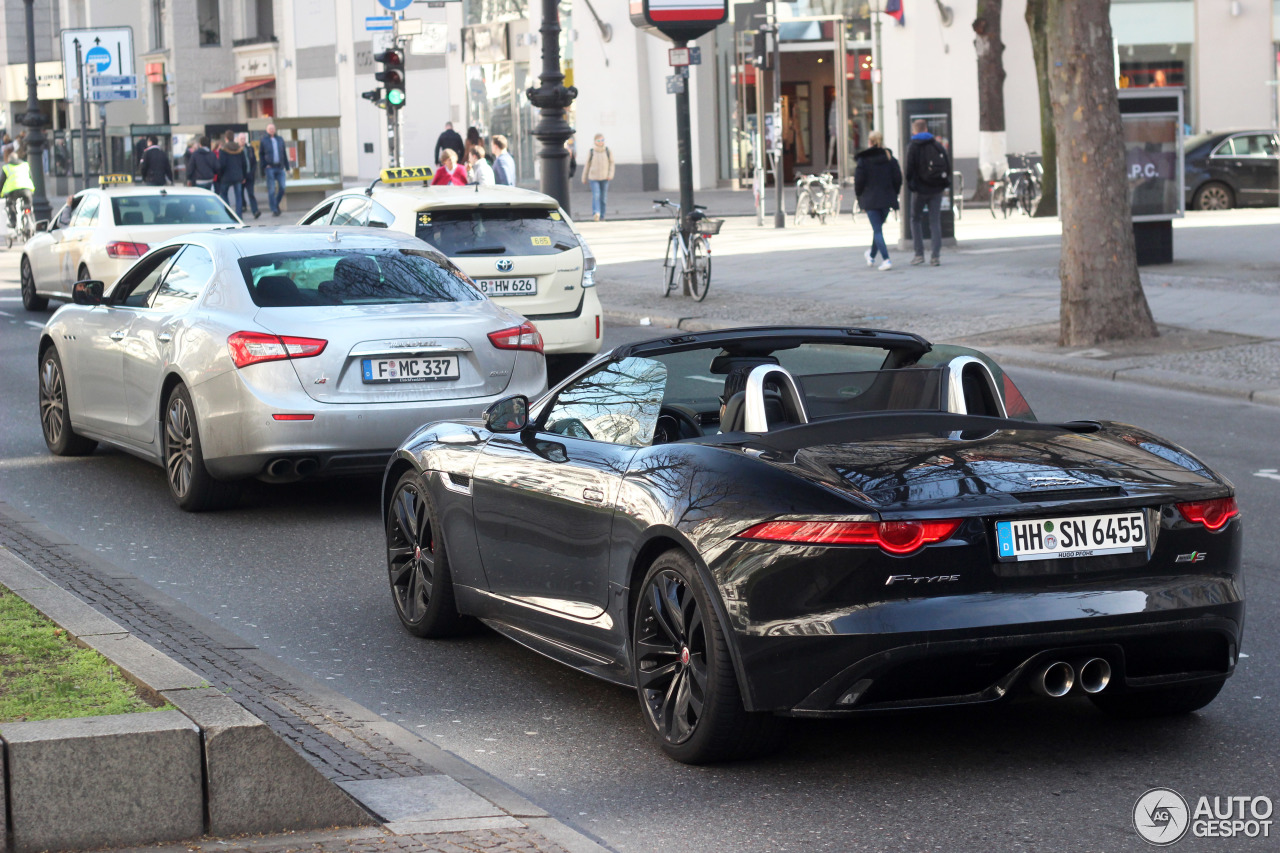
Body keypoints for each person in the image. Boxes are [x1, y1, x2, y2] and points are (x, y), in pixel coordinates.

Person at [904, 118, 951, 266]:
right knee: (934, 221)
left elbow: (908, 169)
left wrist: (912, 186)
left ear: (914, 130)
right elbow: (947, 165)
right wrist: (943, 184)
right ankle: (935, 256)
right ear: (926, 129)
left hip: (920, 190)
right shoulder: (936, 144)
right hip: (936, 189)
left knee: (915, 219)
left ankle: (919, 254)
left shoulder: (912, 146)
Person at [854, 130, 902, 272]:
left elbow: (859, 181)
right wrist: (894, 193)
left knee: (877, 230)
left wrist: (859, 197)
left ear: (870, 142)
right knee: (878, 229)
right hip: (887, 199)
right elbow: (898, 179)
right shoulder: (889, 158)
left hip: (870, 199)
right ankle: (872, 255)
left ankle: (886, 259)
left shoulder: (864, 160)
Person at [581, 134, 615, 221]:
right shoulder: (592, 151)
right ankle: (596, 213)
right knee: (596, 195)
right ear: (595, 141)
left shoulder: (607, 151)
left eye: (602, 140)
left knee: (603, 197)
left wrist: (610, 174)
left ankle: (602, 215)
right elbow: (587, 165)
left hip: (605, 177)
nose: (601, 142)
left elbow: (611, 163)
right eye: (599, 141)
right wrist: (584, 177)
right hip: (593, 177)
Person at [216, 130, 248, 218]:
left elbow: (222, 164)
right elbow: (244, 164)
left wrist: (220, 175)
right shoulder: (239, 149)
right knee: (239, 196)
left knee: (224, 195)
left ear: (226, 138)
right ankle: (239, 215)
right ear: (233, 138)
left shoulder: (223, 149)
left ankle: (229, 215)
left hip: (226, 177)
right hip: (238, 176)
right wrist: (243, 176)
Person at [0, 153, 35, 230]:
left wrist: (1, 193)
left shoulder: (6, 167)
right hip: (27, 189)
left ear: (9, 159)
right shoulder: (25, 165)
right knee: (28, 205)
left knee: (10, 204)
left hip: (13, 191)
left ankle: (13, 221)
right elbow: (31, 177)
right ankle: (30, 217)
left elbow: (1, 182)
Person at [260, 124, 288, 216]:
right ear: (267, 130)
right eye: (270, 129)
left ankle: (275, 204)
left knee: (282, 187)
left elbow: (284, 153)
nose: (272, 130)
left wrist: (287, 167)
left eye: (273, 129)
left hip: (280, 167)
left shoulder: (280, 139)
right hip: (270, 168)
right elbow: (261, 155)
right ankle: (274, 209)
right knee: (271, 190)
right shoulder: (264, 140)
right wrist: (264, 166)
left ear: (275, 130)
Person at [237, 133, 261, 219]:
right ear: (238, 140)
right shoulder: (236, 150)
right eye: (241, 139)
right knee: (240, 195)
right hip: (240, 177)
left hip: (249, 175)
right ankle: (241, 210)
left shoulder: (250, 149)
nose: (243, 141)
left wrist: (252, 172)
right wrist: (241, 176)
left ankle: (255, 211)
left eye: (244, 139)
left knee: (251, 194)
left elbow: (254, 162)